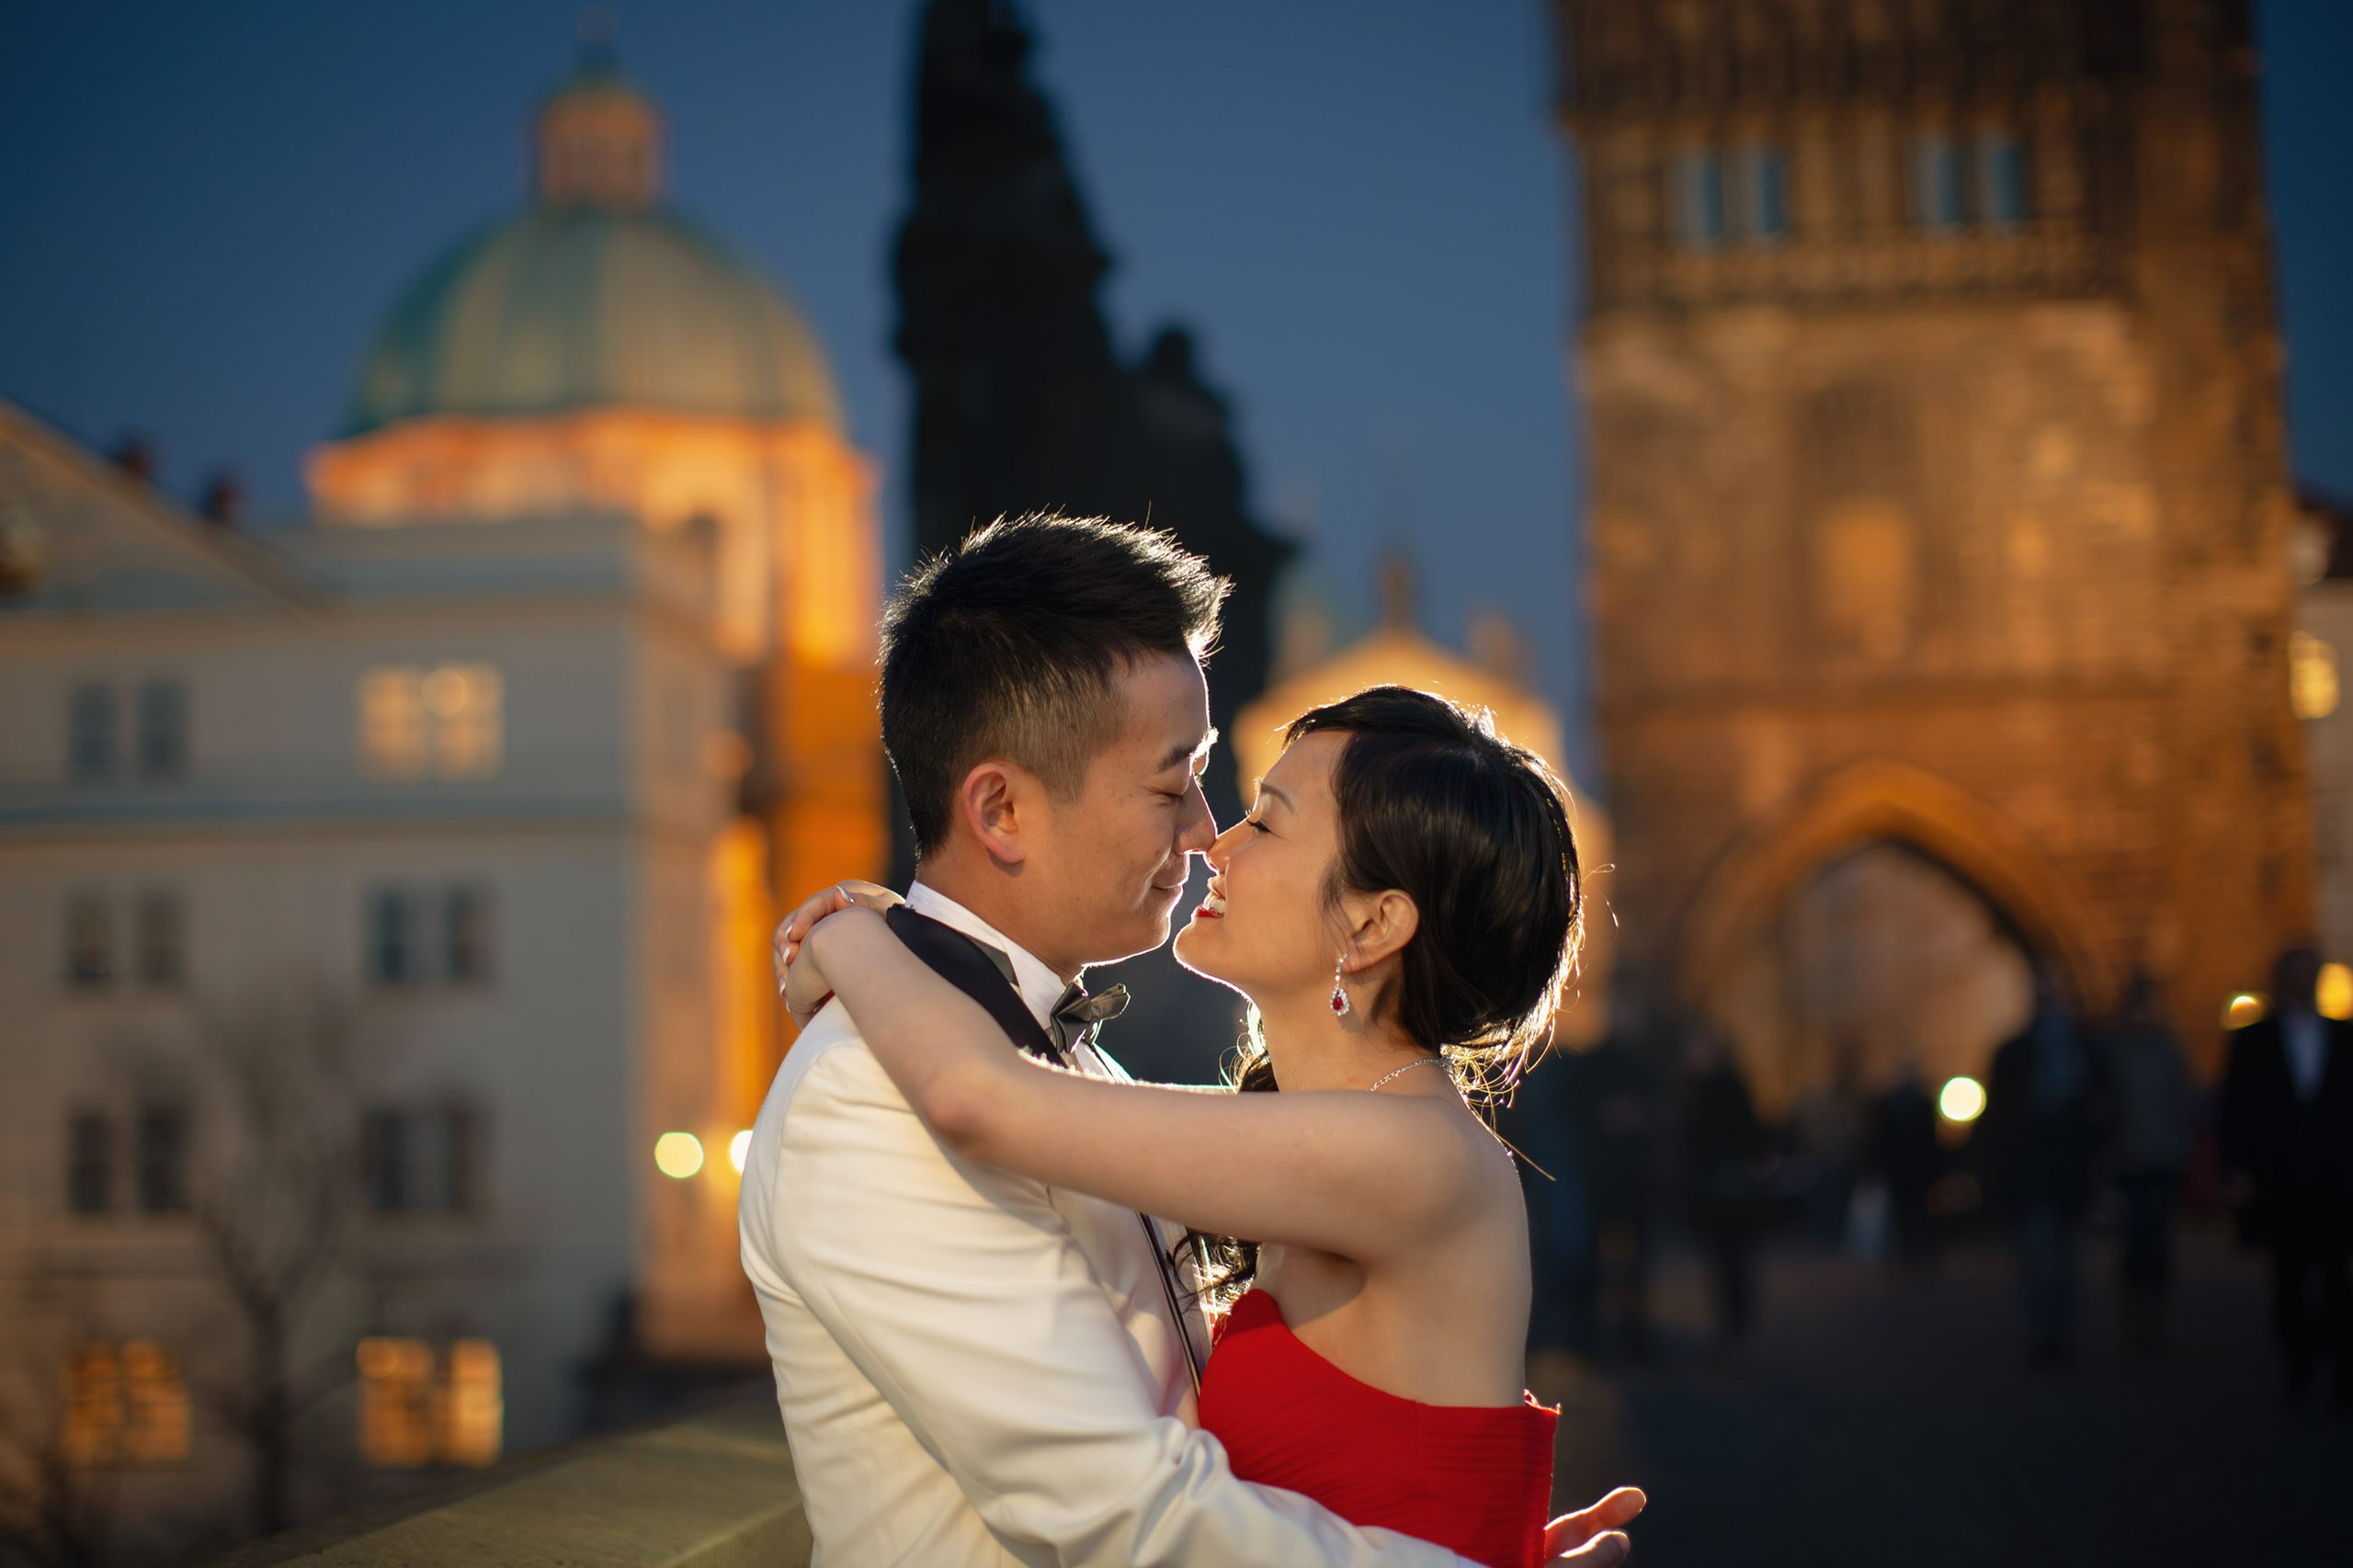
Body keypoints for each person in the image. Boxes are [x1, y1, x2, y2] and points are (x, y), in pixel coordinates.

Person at [739, 515, 1643, 1568]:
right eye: (1177, 786)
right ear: (1000, 809)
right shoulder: (867, 1094)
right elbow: (1131, 1512)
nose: (1208, 833)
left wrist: (854, 930)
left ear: (1375, 922)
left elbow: (981, 1096)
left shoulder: (1083, 1075)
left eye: (1254, 811)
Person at [2221, 945, 2353, 1407]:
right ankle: (2298, 1366)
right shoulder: (2255, 1040)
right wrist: (2238, 1169)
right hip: (2282, 1178)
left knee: (2337, 1277)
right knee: (2290, 1278)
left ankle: (2339, 1372)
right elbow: (2236, 1108)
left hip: (2335, 1179)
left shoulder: (2343, 1037)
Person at [1984, 964, 2105, 1366]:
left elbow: (2103, 1108)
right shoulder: (2014, 1052)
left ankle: (2063, 1330)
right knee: (2036, 1255)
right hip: (2031, 1172)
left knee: (2067, 1257)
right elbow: (1998, 1118)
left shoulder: (2084, 1050)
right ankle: (2042, 1331)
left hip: (2068, 1171)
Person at [2101, 971, 2193, 1359]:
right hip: (2129, 1160)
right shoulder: (2114, 1053)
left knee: (2158, 1242)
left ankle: (2157, 1323)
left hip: (2163, 1157)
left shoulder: (2168, 1050)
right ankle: (2134, 1323)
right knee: (2135, 1242)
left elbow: (2182, 1100)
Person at [1677, 1028, 1766, 1347]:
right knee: (1726, 1260)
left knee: (1730, 1259)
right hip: (1717, 1188)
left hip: (1725, 1188)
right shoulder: (1699, 1088)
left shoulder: (1718, 1089)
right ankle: (1732, 1324)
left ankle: (1734, 1326)